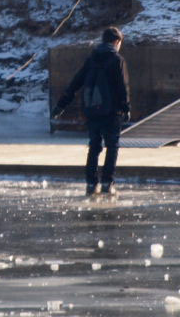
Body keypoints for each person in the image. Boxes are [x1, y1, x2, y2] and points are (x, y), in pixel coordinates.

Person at [52, 26, 131, 196]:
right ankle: (107, 183)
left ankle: (91, 183)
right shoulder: (117, 60)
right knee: (112, 146)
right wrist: (126, 107)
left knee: (94, 146)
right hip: (112, 112)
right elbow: (122, 87)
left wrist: (61, 105)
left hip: (92, 111)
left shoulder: (91, 59)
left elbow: (75, 83)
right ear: (116, 41)